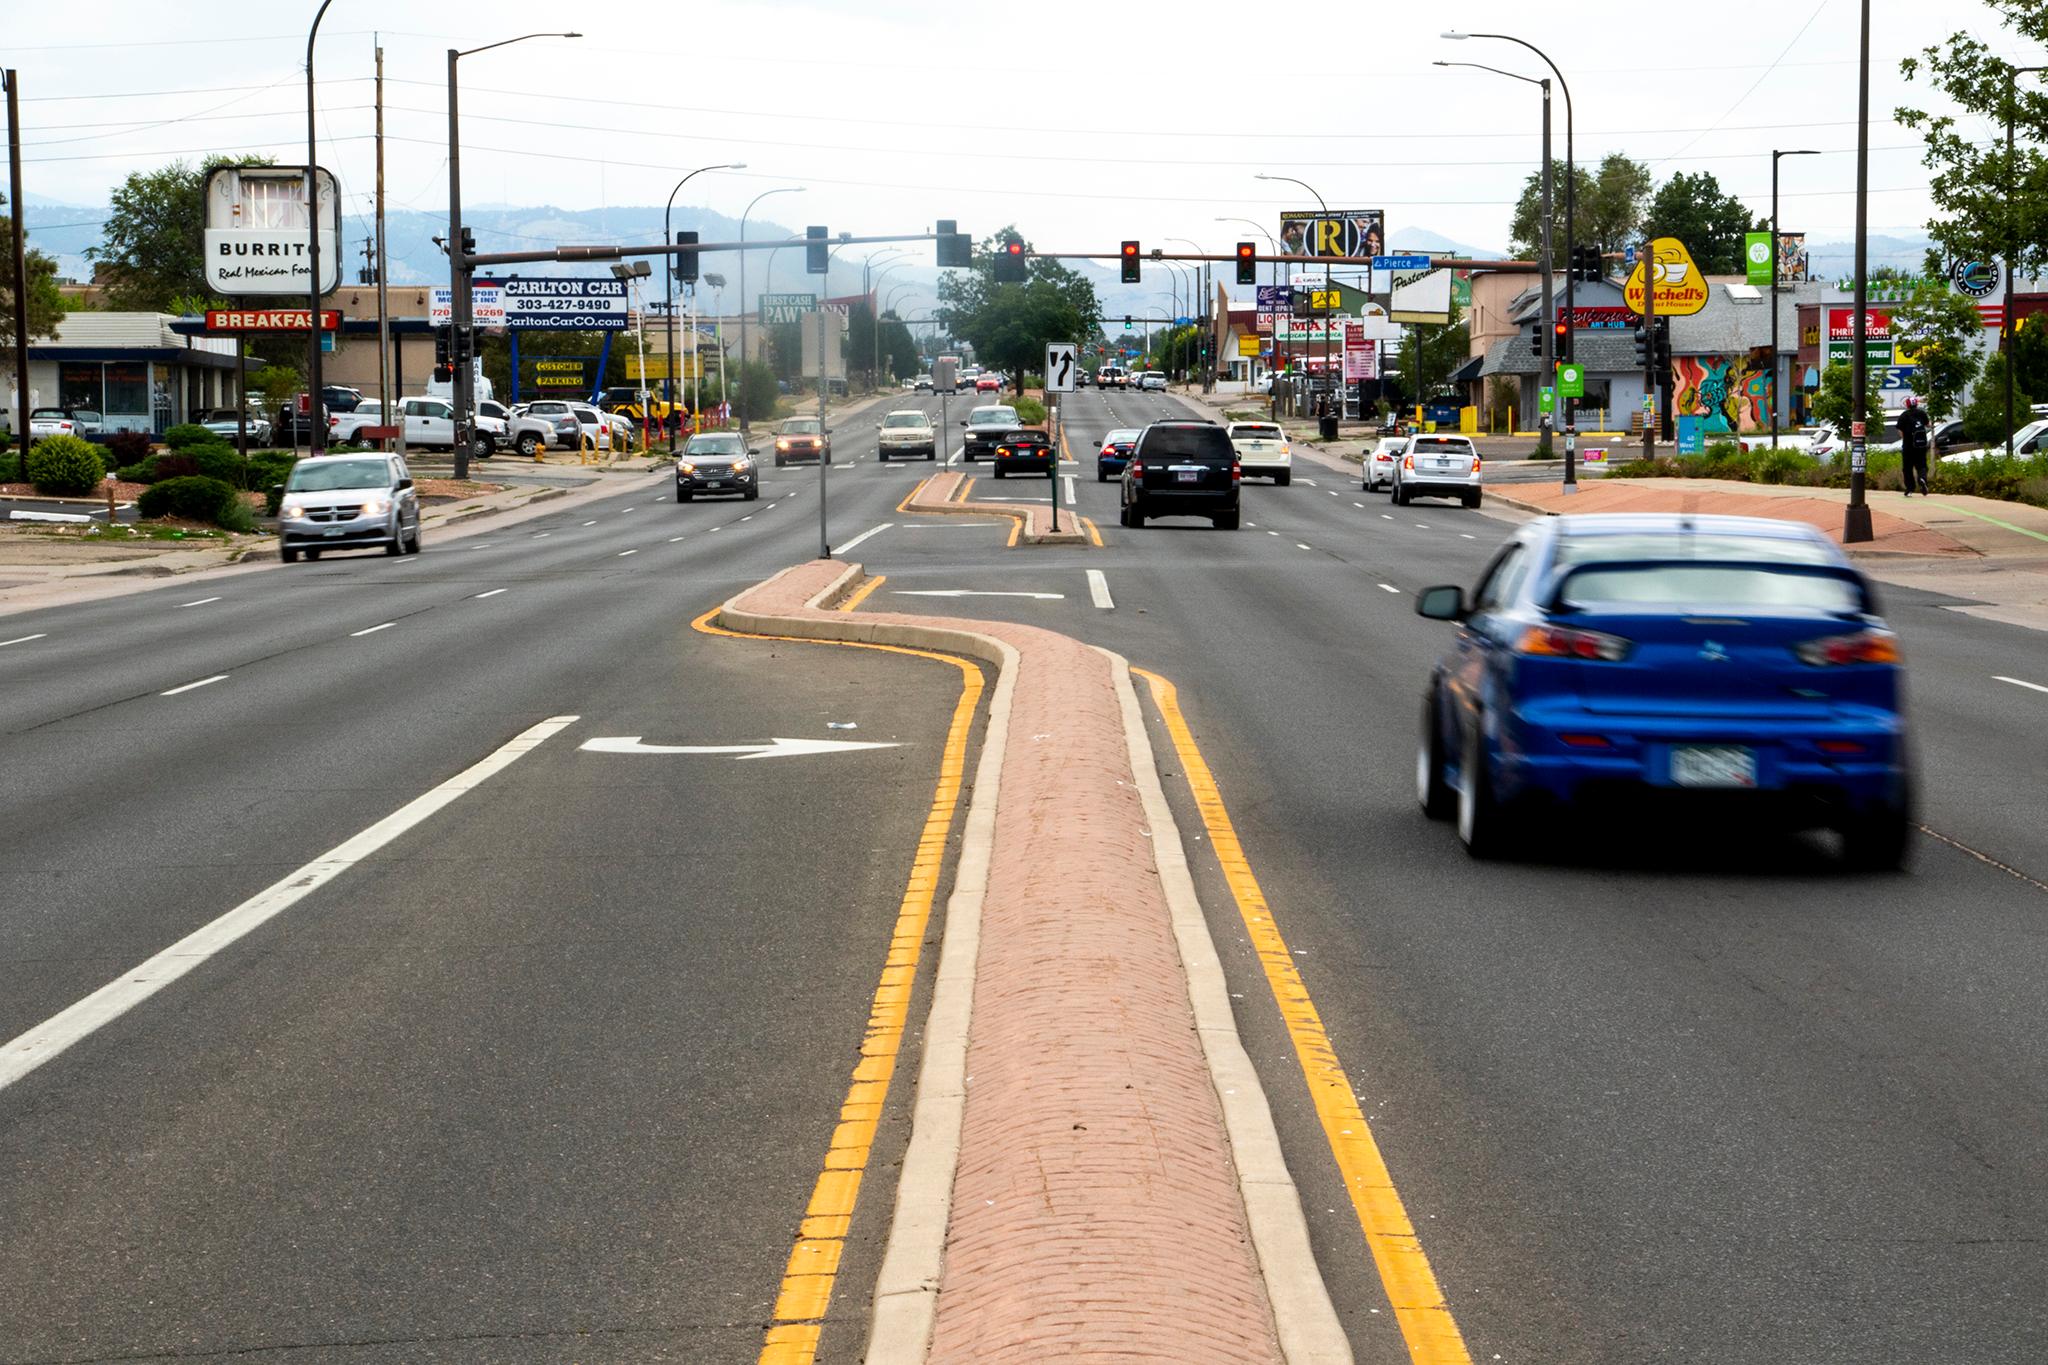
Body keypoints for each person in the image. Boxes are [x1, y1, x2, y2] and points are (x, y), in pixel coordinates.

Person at [1897, 395, 1931, 496]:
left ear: (1907, 405)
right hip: (1920, 445)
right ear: (1916, 404)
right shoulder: (1921, 413)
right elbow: (1928, 424)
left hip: (1908, 446)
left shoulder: (1904, 415)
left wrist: (1904, 439)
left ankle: (1910, 489)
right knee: (1922, 465)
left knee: (1907, 468)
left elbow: (1899, 429)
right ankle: (1922, 478)